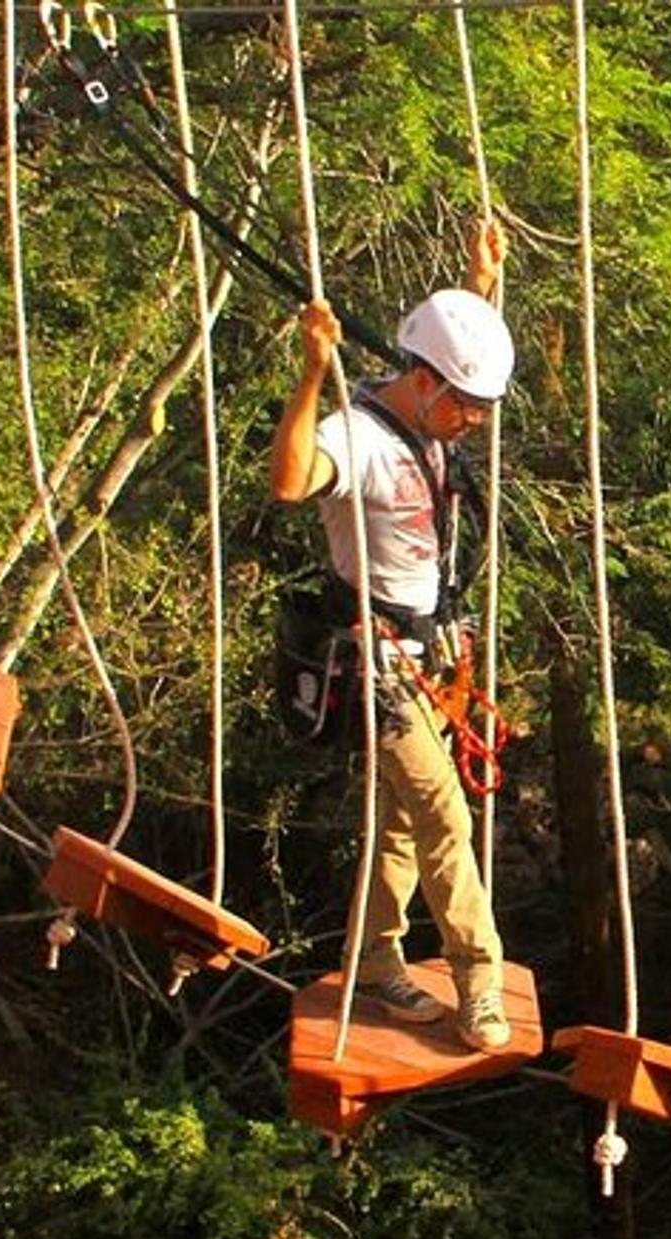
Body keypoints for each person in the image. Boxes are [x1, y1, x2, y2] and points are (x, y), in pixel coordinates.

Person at [270, 220, 513, 1051]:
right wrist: (309, 376)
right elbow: (291, 478)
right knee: (446, 814)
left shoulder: (431, 410)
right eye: (468, 410)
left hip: (434, 654)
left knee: (406, 824)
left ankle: (375, 958)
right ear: (423, 382)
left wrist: (479, 286)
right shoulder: (358, 434)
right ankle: (480, 982)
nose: (474, 425)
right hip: (379, 664)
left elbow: (458, 348)